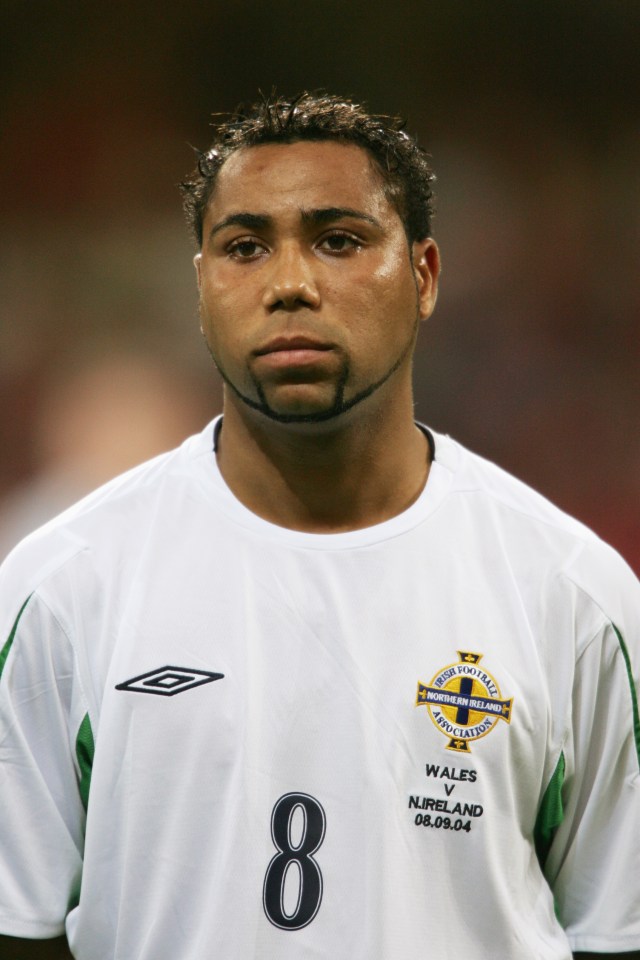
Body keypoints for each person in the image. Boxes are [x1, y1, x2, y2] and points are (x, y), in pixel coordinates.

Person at [0, 92, 638, 960]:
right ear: (200, 285)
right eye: (245, 247)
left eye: (339, 240)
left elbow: (615, 930)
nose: (289, 282)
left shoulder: (575, 596)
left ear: (424, 276)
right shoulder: (63, 587)